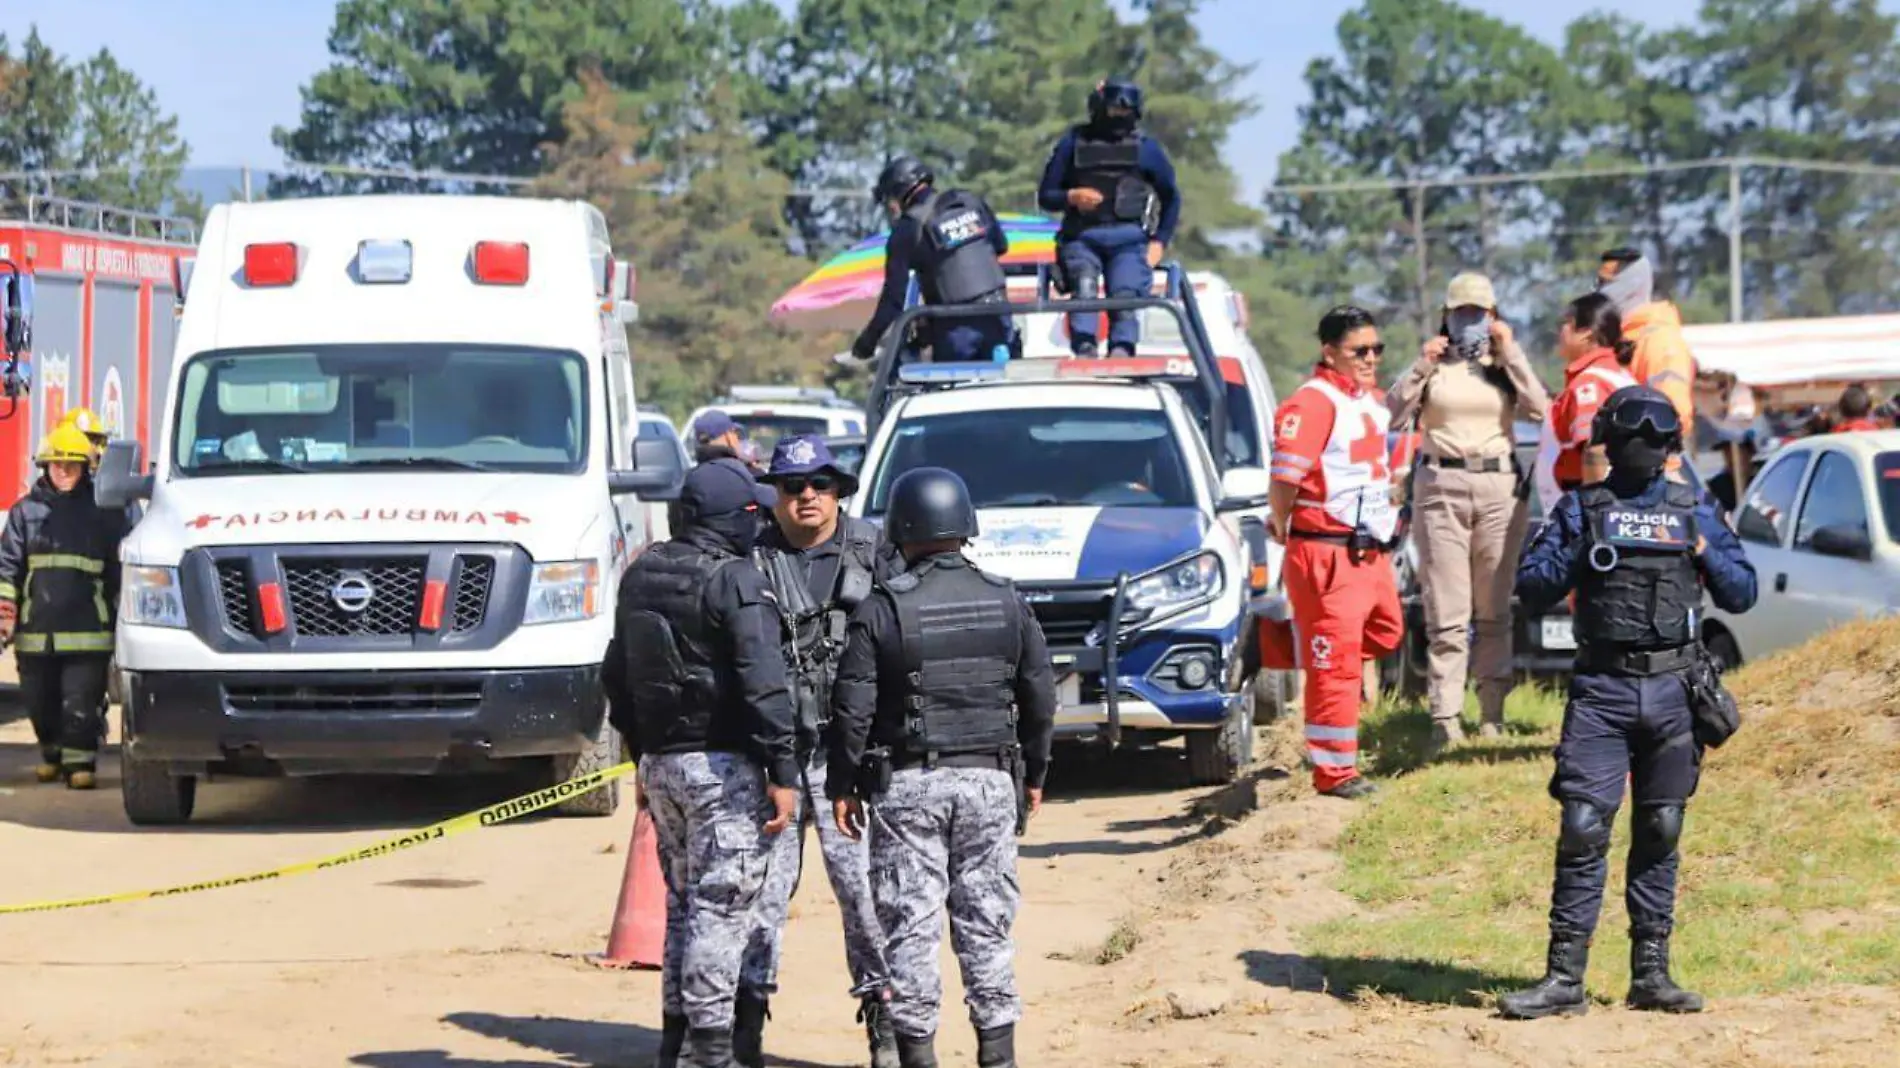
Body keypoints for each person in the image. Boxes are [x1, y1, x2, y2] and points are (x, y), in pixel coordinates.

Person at [1501, 385, 1757, 1021]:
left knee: (1660, 827)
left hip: (1674, 689)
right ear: (1609, 444)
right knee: (1584, 827)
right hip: (1603, 690)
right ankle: (1565, 978)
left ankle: (1652, 974)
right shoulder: (1582, 509)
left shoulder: (1695, 508)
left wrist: (1699, 546)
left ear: (1668, 447)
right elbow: (1530, 587)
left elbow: (1742, 591)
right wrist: (1582, 554)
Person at [827, 467, 1057, 1068]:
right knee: (987, 926)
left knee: (911, 929)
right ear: (965, 525)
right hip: (989, 782)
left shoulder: (881, 608)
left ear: (902, 527)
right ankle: (998, 1057)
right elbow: (1040, 695)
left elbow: (852, 705)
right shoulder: (1008, 598)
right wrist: (1034, 774)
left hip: (908, 789)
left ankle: (918, 1058)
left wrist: (842, 786)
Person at [601, 460, 802, 1068]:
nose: (760, 522)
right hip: (724, 770)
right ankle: (712, 1052)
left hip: (662, 765)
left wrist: (643, 757)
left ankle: (674, 1043)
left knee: (684, 907)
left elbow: (618, 674)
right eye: (753, 514)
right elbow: (763, 682)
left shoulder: (640, 574)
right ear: (733, 520)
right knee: (720, 910)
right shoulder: (735, 579)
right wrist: (783, 771)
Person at [738, 435, 905, 1068]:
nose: (807, 496)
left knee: (864, 894)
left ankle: (883, 1017)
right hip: (772, 757)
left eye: (820, 484)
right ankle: (746, 1020)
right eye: (792, 486)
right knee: (762, 895)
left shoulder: (872, 550)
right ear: (774, 494)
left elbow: (901, 641)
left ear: (839, 489)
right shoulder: (749, 559)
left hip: (847, 758)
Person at [1386, 273, 1550, 750]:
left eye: (1480, 313)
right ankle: (1446, 716)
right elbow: (1392, 414)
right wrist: (1422, 364)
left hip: (1499, 485)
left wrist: (1510, 351)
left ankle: (1493, 714)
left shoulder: (1502, 368)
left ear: (1495, 316)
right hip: (1442, 486)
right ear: (1446, 315)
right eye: (1462, 312)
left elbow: (1542, 408)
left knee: (1495, 609)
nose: (1471, 322)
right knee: (1448, 611)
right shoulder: (1434, 367)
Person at [1269, 306, 1406, 798]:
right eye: (1359, 351)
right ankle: (1334, 772)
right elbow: (1285, 477)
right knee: (1337, 662)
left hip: (1369, 552)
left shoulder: (1366, 401)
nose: (1371, 358)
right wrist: (1282, 523)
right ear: (1330, 352)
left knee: (1387, 632)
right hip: (1327, 552)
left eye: (1376, 349)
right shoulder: (1313, 402)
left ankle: (1295, 650)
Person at [0, 426, 127, 788]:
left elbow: (118, 571)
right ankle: (52, 754)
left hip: (88, 631)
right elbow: (7, 567)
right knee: (39, 703)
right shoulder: (25, 513)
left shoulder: (103, 513)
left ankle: (80, 763)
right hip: (35, 632)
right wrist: (6, 613)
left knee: (80, 702)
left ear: (85, 469)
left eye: (71, 466)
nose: (63, 472)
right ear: (45, 467)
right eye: (56, 465)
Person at [1037, 77, 1181, 358]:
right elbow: (1046, 196)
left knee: (1125, 296)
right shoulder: (1072, 144)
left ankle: (1122, 351)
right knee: (1084, 288)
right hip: (1081, 238)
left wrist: (1159, 241)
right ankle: (1084, 349)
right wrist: (1072, 196)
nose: (1118, 117)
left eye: (1124, 112)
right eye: (1114, 110)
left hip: (1128, 239)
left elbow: (1171, 198)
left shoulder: (1147, 149)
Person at [849, 157, 1013, 365]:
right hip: (1000, 314)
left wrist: (867, 341)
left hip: (956, 329)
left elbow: (893, 300)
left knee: (954, 392)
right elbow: (1000, 246)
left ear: (899, 193)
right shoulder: (969, 202)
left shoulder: (907, 228)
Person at [1535, 293, 1639, 509]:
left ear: (1586, 333)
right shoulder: (1621, 377)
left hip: (1585, 516)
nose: (1559, 332)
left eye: (1566, 323)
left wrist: (1596, 516)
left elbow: (1595, 450)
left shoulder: (1589, 384)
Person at [1597, 249, 1696, 452]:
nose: (1599, 290)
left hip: (1653, 471)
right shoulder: (1617, 339)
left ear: (1632, 285)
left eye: (1606, 283)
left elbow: (1675, 416)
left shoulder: (1660, 342)